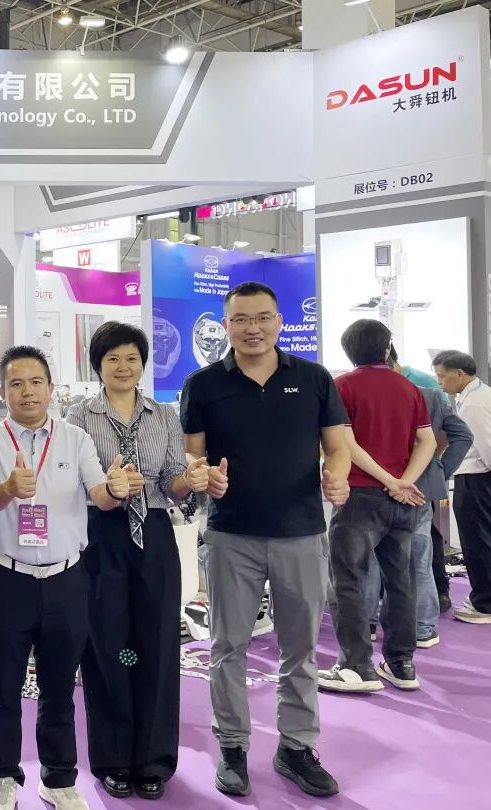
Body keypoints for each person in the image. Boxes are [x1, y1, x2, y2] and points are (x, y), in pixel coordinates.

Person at [180, 281, 351, 800]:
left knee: (300, 647)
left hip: (301, 532)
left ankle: (296, 747)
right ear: (225, 325)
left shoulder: (314, 378)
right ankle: (232, 746)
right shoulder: (203, 384)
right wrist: (204, 476)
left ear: (279, 322)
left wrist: (338, 478)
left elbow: (337, 446)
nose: (251, 328)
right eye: (240, 319)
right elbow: (192, 455)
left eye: (262, 318)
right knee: (227, 646)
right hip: (232, 534)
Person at [0, 346, 133, 810]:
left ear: (51, 388)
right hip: (8, 578)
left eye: (36, 382)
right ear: (2, 391)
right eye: (16, 384)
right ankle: (1, 777)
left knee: (59, 685)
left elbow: (100, 494)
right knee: (3, 686)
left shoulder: (74, 438)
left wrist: (116, 490)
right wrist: (9, 488)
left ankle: (59, 778)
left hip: (66, 579)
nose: (27, 392)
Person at [65, 322, 208, 802]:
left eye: (131, 358)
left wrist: (191, 480)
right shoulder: (79, 416)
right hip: (100, 532)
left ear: (143, 364)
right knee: (106, 646)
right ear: (98, 366)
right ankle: (112, 759)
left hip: (155, 533)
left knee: (158, 643)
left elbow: (171, 481)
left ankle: (154, 759)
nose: (123, 367)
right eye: (112, 359)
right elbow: (72, 482)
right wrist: (107, 485)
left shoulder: (164, 415)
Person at [319, 320, 435, 695]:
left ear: (348, 349)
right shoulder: (409, 388)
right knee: (401, 581)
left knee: (348, 581)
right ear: (387, 348)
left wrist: (390, 480)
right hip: (402, 501)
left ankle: (355, 666)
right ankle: (401, 663)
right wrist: (404, 481)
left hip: (360, 497)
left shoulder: (343, 385)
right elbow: (428, 442)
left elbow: (346, 444)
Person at [362, 361, 472, 648]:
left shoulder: (360, 393)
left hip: (374, 484)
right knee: (419, 559)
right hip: (418, 487)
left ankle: (367, 624)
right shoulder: (430, 396)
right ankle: (422, 628)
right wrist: (438, 470)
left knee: (370, 557)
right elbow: (463, 436)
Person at [433, 350, 491, 624]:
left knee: (476, 541)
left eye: (442, 376)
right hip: (477, 478)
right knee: (480, 539)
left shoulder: (474, 404)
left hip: (477, 479)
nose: (440, 383)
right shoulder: (475, 396)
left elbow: (486, 446)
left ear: (459, 374)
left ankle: (485, 603)